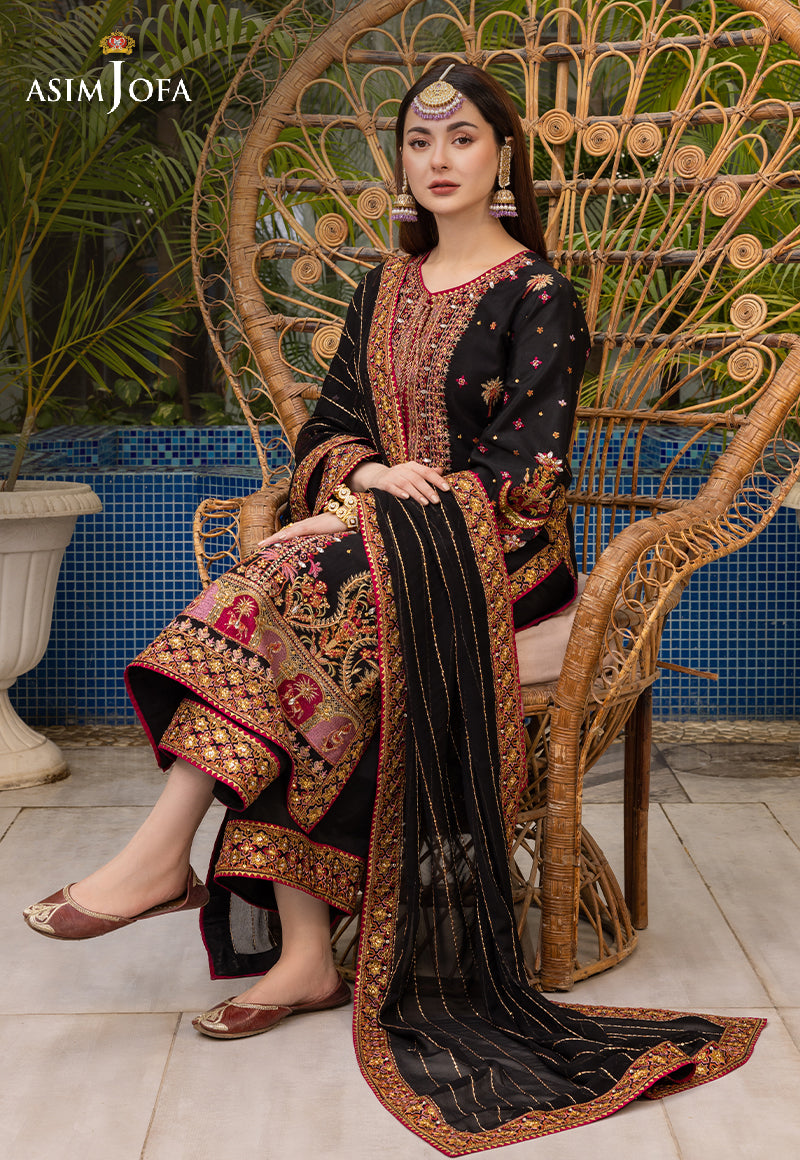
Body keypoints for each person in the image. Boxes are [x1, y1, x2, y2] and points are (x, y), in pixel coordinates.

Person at [23, 62, 762, 1155]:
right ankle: (296, 952)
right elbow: (328, 429)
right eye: (420, 142)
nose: (439, 159)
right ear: (401, 161)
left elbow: (527, 476)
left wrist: (357, 525)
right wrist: (362, 482)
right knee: (297, 612)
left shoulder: (539, 297)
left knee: (291, 595)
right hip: (368, 542)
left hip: (501, 559)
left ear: (502, 156)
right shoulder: (382, 287)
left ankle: (171, 863)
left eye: (461, 139)